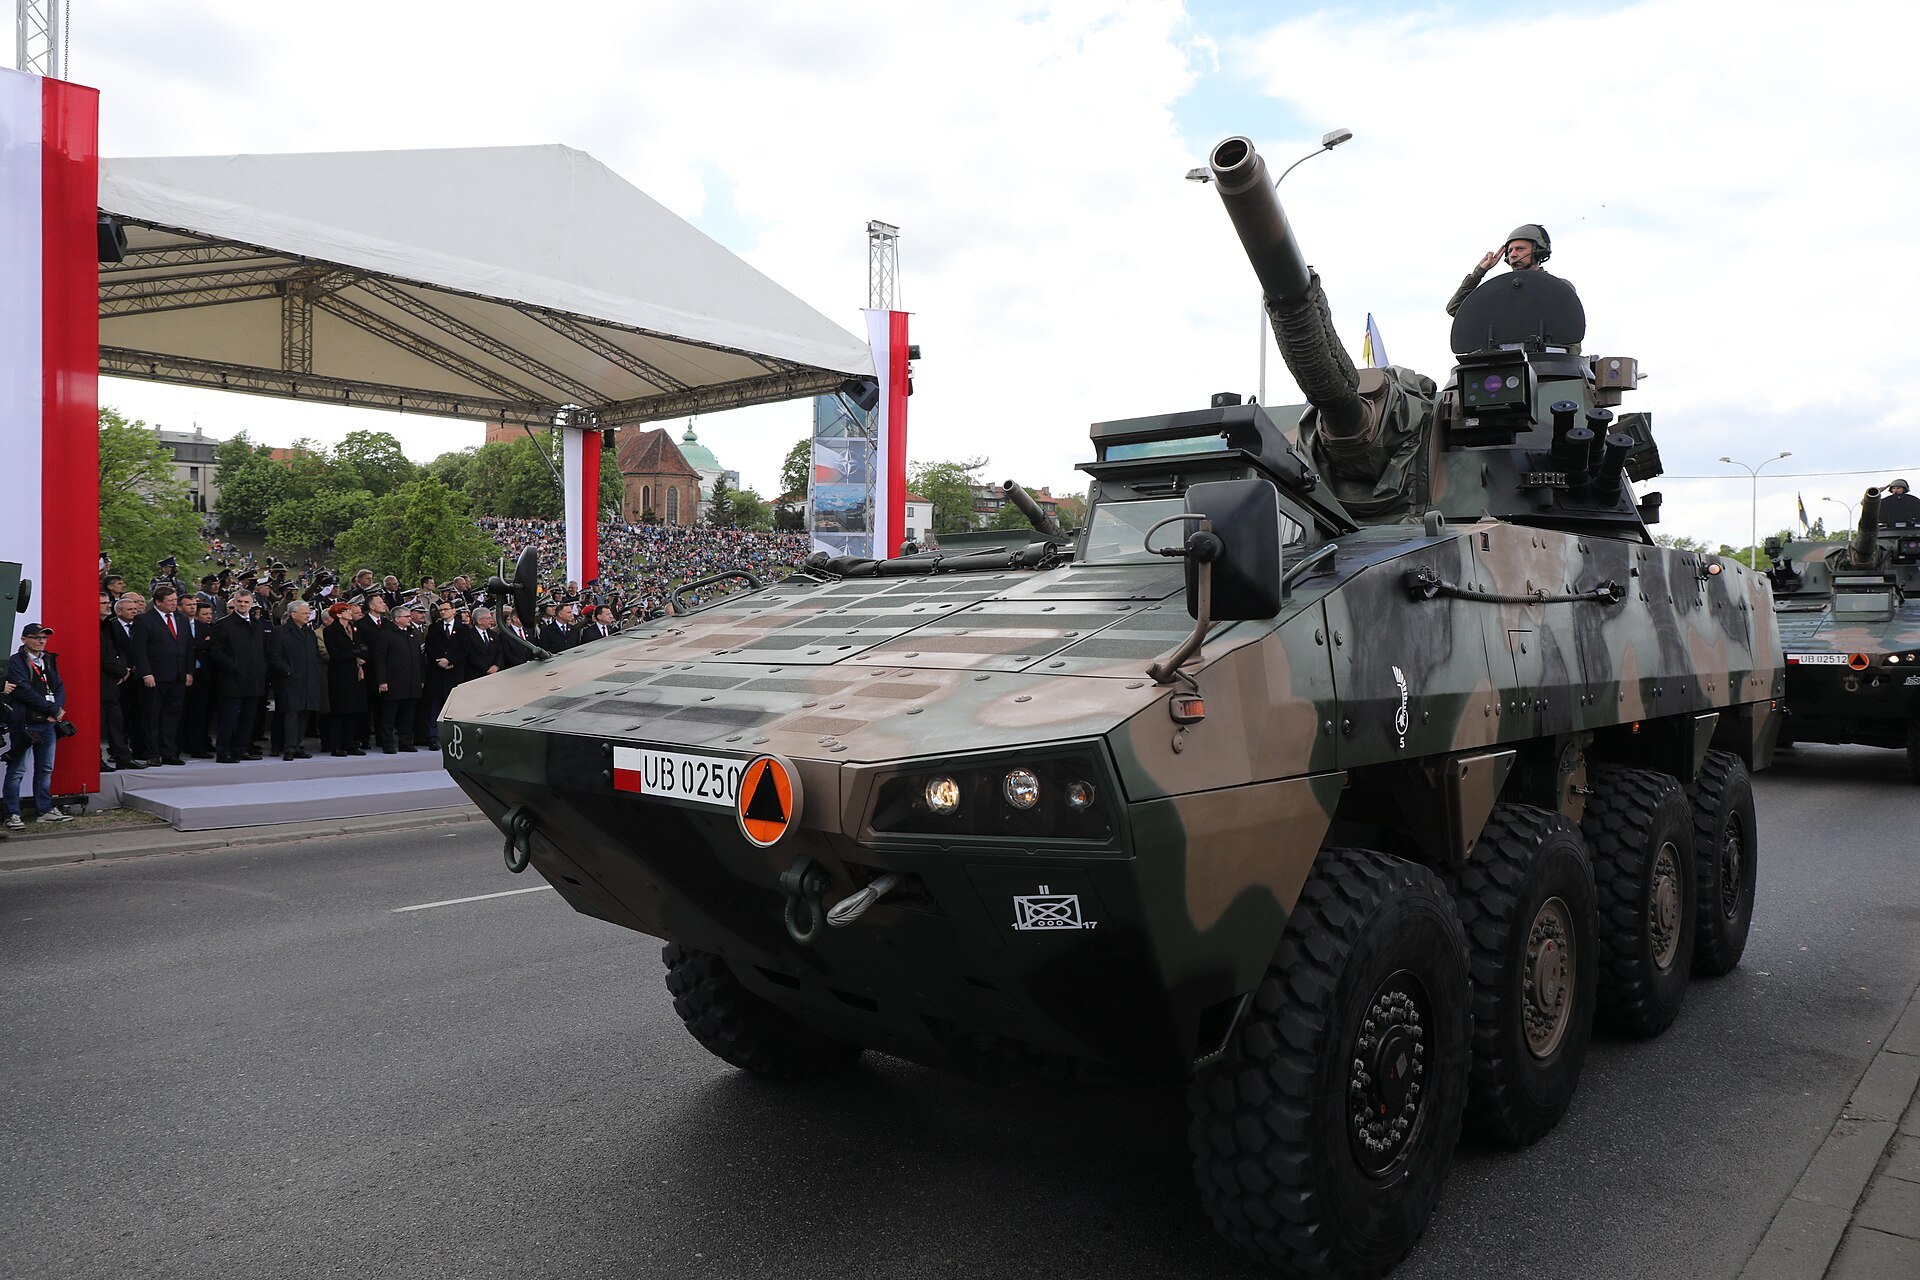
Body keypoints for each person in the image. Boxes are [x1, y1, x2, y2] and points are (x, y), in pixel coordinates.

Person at [5, 623, 72, 829]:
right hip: (26, 724)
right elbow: (23, 691)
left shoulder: (48, 659)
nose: (41, 641)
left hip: (47, 723)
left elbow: (58, 686)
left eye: (44, 638)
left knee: (45, 769)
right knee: (17, 770)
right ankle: (12, 814)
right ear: (24, 639)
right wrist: (52, 710)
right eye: (36, 637)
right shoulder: (15, 661)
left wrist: (57, 709)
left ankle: (44, 810)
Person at [1445, 224, 1574, 317]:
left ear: (1538, 250)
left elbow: (1570, 327)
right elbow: (1454, 308)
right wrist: (1479, 271)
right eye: (1510, 251)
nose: (1513, 255)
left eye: (1520, 249)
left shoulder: (1557, 288)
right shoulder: (1500, 292)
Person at [131, 584, 192, 766]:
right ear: (158, 602)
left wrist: (189, 671)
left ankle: (169, 752)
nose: (174, 603)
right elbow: (139, 650)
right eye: (170, 600)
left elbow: (188, 647)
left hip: (178, 676)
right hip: (155, 677)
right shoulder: (144, 620)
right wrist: (146, 673)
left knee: (172, 715)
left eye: (175, 600)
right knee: (152, 716)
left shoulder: (181, 619)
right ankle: (152, 752)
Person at [209, 591, 267, 763]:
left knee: (248, 718)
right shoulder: (223, 624)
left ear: (252, 603)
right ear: (234, 603)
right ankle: (223, 751)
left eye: (246, 602)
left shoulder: (258, 624)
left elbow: (264, 649)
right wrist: (232, 666)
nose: (242, 605)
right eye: (239, 601)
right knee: (229, 718)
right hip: (232, 679)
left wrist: (262, 669)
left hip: (254, 679)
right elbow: (215, 650)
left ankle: (241, 749)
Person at [99, 589, 145, 772]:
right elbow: (100, 655)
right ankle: (97, 759)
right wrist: (121, 670)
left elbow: (118, 650)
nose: (108, 606)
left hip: (112, 682)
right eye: (104, 603)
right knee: (100, 723)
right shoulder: (94, 626)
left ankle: (123, 757)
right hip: (99, 681)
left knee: (116, 721)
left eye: (108, 603)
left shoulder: (107, 626)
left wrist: (123, 669)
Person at [269, 600, 321, 760]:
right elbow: (275, 656)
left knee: (304, 713)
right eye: (304, 613)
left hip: (308, 679)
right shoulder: (280, 632)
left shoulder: (309, 633)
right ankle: (289, 747)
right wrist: (289, 671)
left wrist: (315, 671)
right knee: (291, 713)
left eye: (308, 613)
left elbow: (316, 655)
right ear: (293, 614)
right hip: (289, 681)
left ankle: (297, 745)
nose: (307, 616)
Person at [371, 603, 424, 753]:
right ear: (397, 619)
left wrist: (421, 679)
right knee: (389, 716)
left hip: (412, 682)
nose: (410, 619)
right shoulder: (386, 635)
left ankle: (405, 743)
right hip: (394, 682)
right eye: (406, 616)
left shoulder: (412, 634)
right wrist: (382, 681)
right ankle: (387, 744)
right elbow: (380, 659)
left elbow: (419, 659)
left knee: (408, 716)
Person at [322, 601, 368, 757]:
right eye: (346, 611)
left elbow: (363, 647)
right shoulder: (331, 631)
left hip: (356, 673)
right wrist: (355, 653)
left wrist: (358, 653)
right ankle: (337, 745)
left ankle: (350, 743)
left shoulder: (354, 628)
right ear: (338, 614)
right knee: (340, 710)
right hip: (340, 675)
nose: (350, 613)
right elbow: (335, 654)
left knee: (354, 710)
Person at [421, 599, 468, 749]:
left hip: (455, 672)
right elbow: (430, 647)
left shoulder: (463, 628)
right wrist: (439, 660)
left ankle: (454, 737)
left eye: (446, 609)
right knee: (434, 707)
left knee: (453, 708)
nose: (443, 612)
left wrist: (450, 660)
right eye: (441, 610)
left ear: (453, 610)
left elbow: (464, 649)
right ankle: (432, 737)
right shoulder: (434, 628)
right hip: (437, 673)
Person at [464, 607, 504, 678]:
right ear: (479, 621)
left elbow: (500, 651)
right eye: (488, 618)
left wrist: (496, 666)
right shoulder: (468, 635)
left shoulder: (493, 634)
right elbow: (471, 655)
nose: (491, 620)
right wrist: (486, 669)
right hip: (477, 675)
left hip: (495, 673)